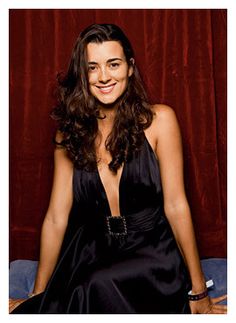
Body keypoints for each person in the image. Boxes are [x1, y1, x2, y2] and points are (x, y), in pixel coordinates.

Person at [10, 23, 227, 314]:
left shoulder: (160, 120)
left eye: (113, 64)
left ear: (129, 67)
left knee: (96, 284)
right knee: (80, 285)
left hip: (152, 250)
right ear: (83, 74)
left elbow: (176, 205)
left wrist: (198, 291)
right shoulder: (69, 133)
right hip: (90, 250)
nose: (103, 77)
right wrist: (38, 296)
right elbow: (56, 217)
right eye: (92, 68)